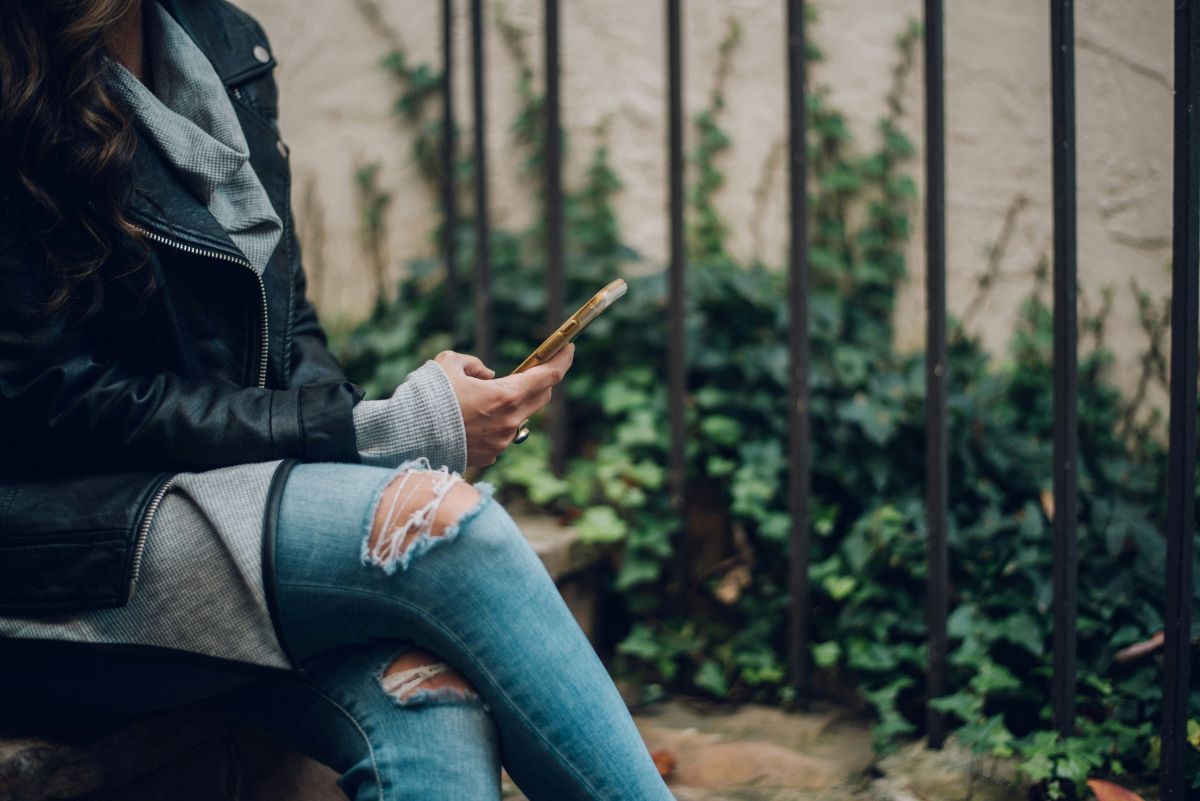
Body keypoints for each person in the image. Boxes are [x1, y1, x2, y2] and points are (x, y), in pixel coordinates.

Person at [0, 1, 675, 799]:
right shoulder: (20, 66)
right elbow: (51, 400)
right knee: (438, 529)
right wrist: (381, 433)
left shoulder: (220, 41)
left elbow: (285, 321)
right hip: (55, 551)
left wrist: (365, 427)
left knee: (426, 696)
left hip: (209, 503)